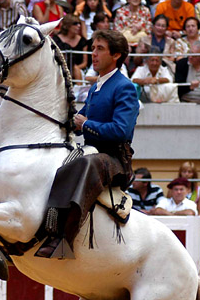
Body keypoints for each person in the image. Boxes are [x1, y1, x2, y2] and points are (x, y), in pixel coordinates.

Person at [35, 29, 139, 259]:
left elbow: (121, 130)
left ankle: (65, 238)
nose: (93, 53)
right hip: (94, 153)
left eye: (100, 49)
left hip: (115, 159)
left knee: (86, 164)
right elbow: (77, 120)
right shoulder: (96, 86)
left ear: (117, 55)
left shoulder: (125, 87)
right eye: (93, 48)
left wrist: (86, 125)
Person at [52, 14, 88, 84]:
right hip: (59, 69)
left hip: (78, 71)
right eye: (75, 24)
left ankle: (78, 90)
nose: (79, 26)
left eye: (79, 23)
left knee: (75, 68)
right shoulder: (56, 40)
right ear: (67, 26)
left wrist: (72, 68)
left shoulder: (82, 41)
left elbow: (85, 63)